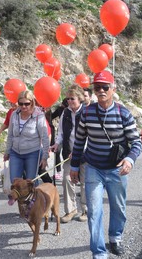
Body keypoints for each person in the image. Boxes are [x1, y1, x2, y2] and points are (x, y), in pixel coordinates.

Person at [70, 70, 142, 258]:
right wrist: (74, 166)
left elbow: (136, 142)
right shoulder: (86, 113)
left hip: (116, 170)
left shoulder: (123, 113)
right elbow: (79, 141)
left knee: (118, 208)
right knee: (94, 211)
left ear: (113, 88)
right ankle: (99, 252)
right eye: (97, 87)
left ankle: (115, 237)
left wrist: (129, 160)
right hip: (93, 169)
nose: (101, 90)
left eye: (105, 87)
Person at [51, 85, 87, 223]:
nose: (70, 101)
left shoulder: (87, 112)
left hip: (84, 153)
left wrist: (79, 151)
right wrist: (57, 143)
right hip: (68, 152)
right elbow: (60, 132)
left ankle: (85, 209)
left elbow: (90, 135)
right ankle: (70, 210)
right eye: (68, 99)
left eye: (73, 99)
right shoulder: (65, 112)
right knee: (67, 179)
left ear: (80, 99)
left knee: (84, 182)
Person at [4, 90, 49, 183]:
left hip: (32, 153)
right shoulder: (14, 114)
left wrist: (45, 157)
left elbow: (45, 137)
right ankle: (17, 198)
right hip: (15, 152)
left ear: (32, 102)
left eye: (26, 104)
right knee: (15, 182)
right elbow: (10, 135)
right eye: (21, 103)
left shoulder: (38, 116)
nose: (23, 106)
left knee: (30, 183)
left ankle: (33, 198)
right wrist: (7, 151)